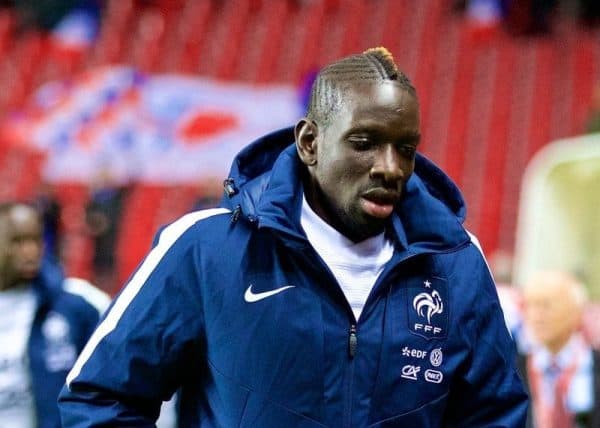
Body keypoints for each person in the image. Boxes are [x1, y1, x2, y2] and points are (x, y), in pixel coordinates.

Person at [59, 47, 527, 427]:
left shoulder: (455, 264)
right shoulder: (208, 249)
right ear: (309, 142)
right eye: (364, 143)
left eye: (405, 149)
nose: (390, 168)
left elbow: (496, 415)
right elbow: (100, 398)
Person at [0, 201, 110, 428]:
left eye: (35, 240)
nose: (30, 251)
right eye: (18, 241)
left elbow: (109, 382)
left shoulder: (76, 306)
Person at [517, 271, 600, 428]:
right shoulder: (512, 370)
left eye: (546, 305)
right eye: (530, 305)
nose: (536, 315)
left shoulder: (593, 366)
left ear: (576, 312)